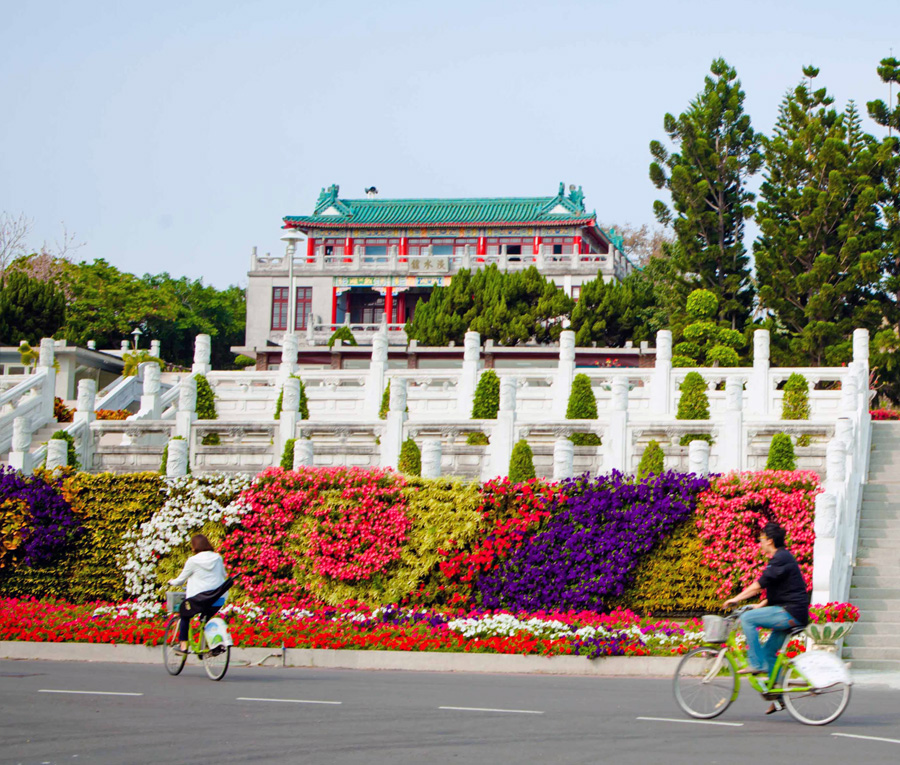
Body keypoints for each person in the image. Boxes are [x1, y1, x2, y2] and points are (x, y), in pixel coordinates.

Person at [723, 520, 810, 714]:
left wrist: (735, 599)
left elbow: (758, 585)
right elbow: (777, 591)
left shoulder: (781, 558)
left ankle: (756, 663)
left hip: (791, 613)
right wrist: (758, 605)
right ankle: (779, 698)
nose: (759, 542)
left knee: (748, 619)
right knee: (770, 652)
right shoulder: (782, 559)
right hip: (791, 611)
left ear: (769, 541)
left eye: (761, 539)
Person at [168, 534, 229, 653]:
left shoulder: (192, 561)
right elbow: (224, 575)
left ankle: (183, 647)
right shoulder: (218, 558)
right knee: (205, 619)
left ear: (194, 547)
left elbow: (181, 580)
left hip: (198, 599)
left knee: (184, 614)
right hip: (218, 598)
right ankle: (211, 645)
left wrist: (171, 582)